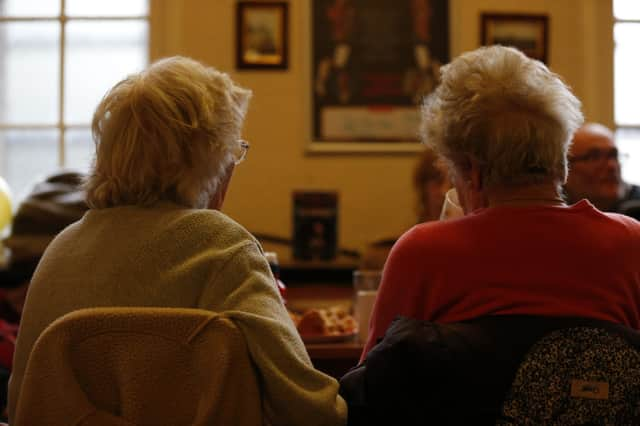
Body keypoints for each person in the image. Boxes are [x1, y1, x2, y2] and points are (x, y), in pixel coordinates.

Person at [8, 56, 346, 425]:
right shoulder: (223, 246)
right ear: (209, 164)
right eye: (232, 152)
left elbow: (21, 404)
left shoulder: (58, 251)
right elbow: (313, 411)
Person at [361, 45, 640, 360]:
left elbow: (374, 393)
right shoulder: (629, 245)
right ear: (562, 166)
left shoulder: (422, 253)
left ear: (474, 172)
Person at [359, 147, 449, 270]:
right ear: (423, 187)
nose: (445, 191)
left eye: (454, 183)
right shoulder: (387, 254)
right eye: (437, 181)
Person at [564, 122, 640, 219]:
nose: (611, 166)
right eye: (594, 157)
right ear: (564, 168)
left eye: (614, 155)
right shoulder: (553, 212)